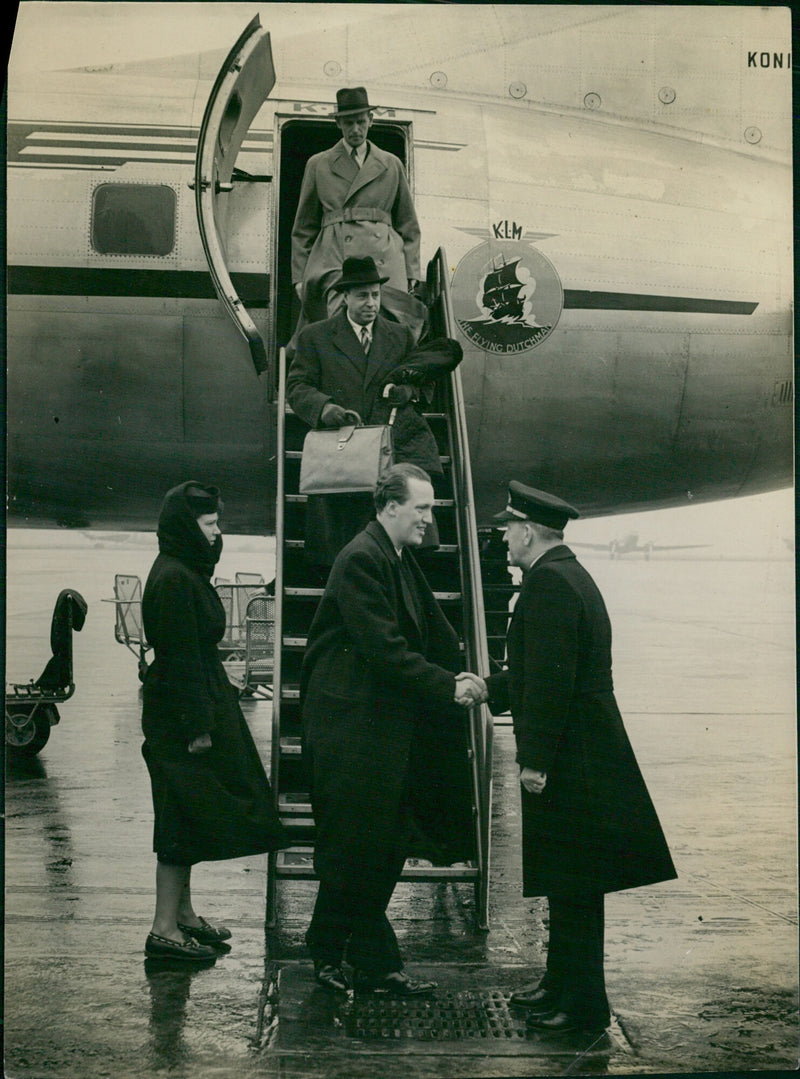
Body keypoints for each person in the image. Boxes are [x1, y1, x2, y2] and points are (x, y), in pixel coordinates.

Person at [483, 481, 677, 1036]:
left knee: (576, 883)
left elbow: (550, 682)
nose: (503, 539)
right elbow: (538, 671)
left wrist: (535, 760)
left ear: (527, 531)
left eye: (507, 529)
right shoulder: (565, 575)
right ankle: (560, 983)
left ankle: (585, 1004)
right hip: (583, 747)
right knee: (568, 879)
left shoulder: (549, 583)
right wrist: (488, 688)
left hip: (573, 754)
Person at [300, 463, 486, 995]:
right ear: (389, 507)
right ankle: (370, 963)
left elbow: (433, 633)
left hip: (375, 723)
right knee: (363, 845)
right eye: (421, 508)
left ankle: (333, 948)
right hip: (349, 726)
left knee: (375, 846)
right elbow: (384, 650)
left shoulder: (396, 556)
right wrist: (448, 686)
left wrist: (471, 675)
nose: (429, 518)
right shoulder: (363, 558)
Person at [140, 481, 286, 961]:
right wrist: (197, 727)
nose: (216, 532)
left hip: (193, 702)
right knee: (179, 816)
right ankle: (164, 929)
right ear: (187, 526)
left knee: (189, 814)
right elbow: (181, 658)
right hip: (183, 713)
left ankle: (182, 915)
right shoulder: (176, 578)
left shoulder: (183, 570)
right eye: (208, 523)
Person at [287, 255, 453, 569]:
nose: (371, 303)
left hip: (392, 444)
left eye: (375, 295)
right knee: (345, 542)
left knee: (400, 538)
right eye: (362, 295)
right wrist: (326, 409)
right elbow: (297, 386)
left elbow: (423, 384)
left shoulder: (400, 335)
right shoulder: (315, 337)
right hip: (344, 450)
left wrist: (408, 392)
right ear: (345, 297)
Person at [290, 86, 423, 339]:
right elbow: (303, 228)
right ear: (338, 123)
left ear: (371, 120)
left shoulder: (391, 164)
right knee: (336, 333)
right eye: (348, 122)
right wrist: (299, 276)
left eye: (361, 122)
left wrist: (411, 270)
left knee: (389, 334)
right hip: (334, 259)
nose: (355, 129)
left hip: (385, 260)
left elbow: (408, 224)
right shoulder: (318, 164)